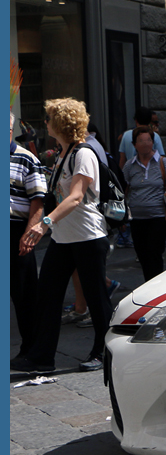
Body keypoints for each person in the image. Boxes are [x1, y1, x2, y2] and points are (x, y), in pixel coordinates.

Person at [13, 98, 112, 374]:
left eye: (48, 119)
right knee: (47, 295)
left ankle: (103, 352)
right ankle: (41, 356)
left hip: (88, 237)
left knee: (96, 297)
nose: (45, 123)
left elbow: (76, 197)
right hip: (64, 238)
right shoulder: (62, 154)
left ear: (60, 123)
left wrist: (43, 223)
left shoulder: (84, 154)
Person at [10, 111, 47, 360]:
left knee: (24, 295)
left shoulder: (26, 159)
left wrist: (29, 235)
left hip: (16, 233)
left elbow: (38, 201)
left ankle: (31, 348)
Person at [123, 126, 166, 281]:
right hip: (137, 217)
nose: (145, 144)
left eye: (148, 140)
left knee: (154, 252)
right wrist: (121, 214)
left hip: (158, 216)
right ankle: (148, 283)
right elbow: (124, 190)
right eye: (141, 141)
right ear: (134, 144)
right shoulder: (130, 165)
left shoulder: (163, 162)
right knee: (142, 254)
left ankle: (156, 285)